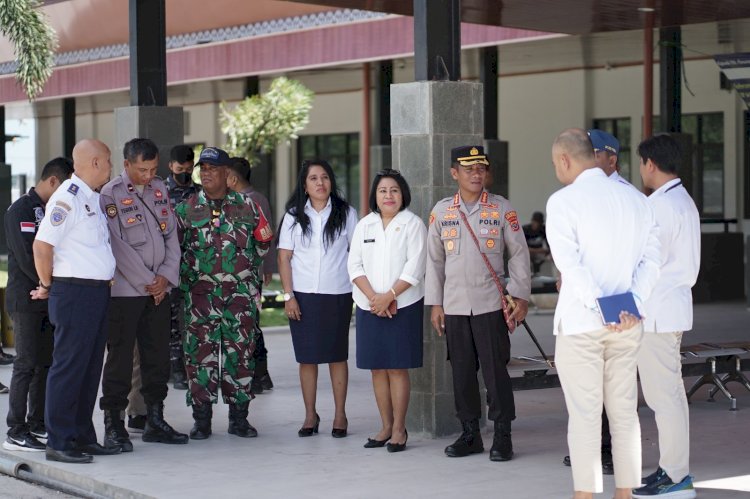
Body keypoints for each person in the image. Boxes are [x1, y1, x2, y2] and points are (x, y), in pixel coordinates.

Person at [546, 128, 661, 499]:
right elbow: (653, 261)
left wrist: (602, 307)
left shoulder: (563, 201)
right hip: (627, 324)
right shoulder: (636, 200)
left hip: (583, 324)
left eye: (555, 163)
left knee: (585, 415)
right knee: (625, 414)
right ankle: (625, 494)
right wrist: (631, 305)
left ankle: (586, 495)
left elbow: (570, 267)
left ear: (565, 159)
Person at [425, 145, 531, 462]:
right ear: (454, 173)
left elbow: (520, 254)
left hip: (489, 305)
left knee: (495, 372)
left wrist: (521, 295)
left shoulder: (501, 208)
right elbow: (434, 261)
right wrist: (435, 304)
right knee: (461, 373)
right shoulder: (442, 211)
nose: (476, 174)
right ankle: (470, 433)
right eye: (468, 169)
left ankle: (502, 434)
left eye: (480, 168)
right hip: (455, 306)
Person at [175, 146, 273, 440]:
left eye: (212, 169)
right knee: (199, 358)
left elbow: (263, 244)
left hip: (239, 297)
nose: (205, 174)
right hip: (200, 297)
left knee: (240, 356)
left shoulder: (249, 207)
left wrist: (244, 275)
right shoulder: (186, 209)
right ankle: (201, 420)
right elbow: (174, 251)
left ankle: (239, 419)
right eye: (202, 169)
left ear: (227, 173)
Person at [98, 138, 189, 452]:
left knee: (157, 357)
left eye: (152, 169)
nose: (148, 175)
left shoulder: (160, 189)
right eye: (142, 170)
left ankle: (154, 419)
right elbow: (117, 247)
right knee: (120, 360)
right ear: (126, 165)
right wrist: (150, 281)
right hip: (126, 292)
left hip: (158, 292)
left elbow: (171, 238)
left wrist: (165, 278)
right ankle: (114, 424)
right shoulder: (110, 194)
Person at [32, 139, 119, 463]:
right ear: (95, 162)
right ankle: (60, 441)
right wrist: (47, 284)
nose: (111, 167)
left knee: (89, 366)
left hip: (95, 292)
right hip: (74, 292)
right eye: (108, 161)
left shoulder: (91, 198)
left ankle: (81, 435)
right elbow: (42, 246)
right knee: (69, 368)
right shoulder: (66, 199)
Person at [632, 134, 700, 499]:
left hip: (657, 313)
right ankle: (672, 469)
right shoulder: (679, 200)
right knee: (669, 396)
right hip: (668, 311)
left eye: (642, 162)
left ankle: (676, 476)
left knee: (665, 398)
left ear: (651, 164)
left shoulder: (661, 207)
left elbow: (648, 266)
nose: (641, 168)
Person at [277, 159, 357, 438]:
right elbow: (284, 258)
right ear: (304, 185)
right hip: (303, 297)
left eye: (324, 177)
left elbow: (357, 255)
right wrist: (289, 296)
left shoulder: (346, 213)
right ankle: (310, 414)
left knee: (337, 356)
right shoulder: (293, 215)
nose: (320, 183)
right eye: (313, 178)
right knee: (307, 358)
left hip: (338, 294)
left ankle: (340, 414)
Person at [348, 169, 426, 453]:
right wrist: (374, 298)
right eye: (383, 191)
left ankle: (399, 429)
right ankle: (384, 425)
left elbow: (416, 266)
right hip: (370, 306)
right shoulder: (364, 225)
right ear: (375, 196)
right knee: (377, 369)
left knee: (396, 368)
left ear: (402, 194)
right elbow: (354, 265)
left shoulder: (413, 224)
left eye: (394, 190)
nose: (389, 195)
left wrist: (390, 295)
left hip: (402, 305)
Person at [3, 157, 73, 452]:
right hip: (27, 298)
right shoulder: (20, 209)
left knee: (45, 364)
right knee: (26, 364)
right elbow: (27, 257)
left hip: (48, 296)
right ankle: (15, 430)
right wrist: (48, 283)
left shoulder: (53, 210)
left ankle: (37, 423)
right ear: (54, 181)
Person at [227, 157, 277, 393]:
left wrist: (267, 266)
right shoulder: (236, 199)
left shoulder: (254, 200)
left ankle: (259, 374)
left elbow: (266, 236)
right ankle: (260, 374)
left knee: (251, 325)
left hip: (250, 276)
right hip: (238, 274)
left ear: (234, 178)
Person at [165, 145, 199, 391]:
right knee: (172, 323)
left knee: (194, 322)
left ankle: (193, 369)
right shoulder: (161, 192)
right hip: (171, 267)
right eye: (180, 170)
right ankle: (176, 371)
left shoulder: (200, 193)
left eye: (189, 170)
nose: (184, 174)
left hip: (197, 266)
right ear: (171, 167)